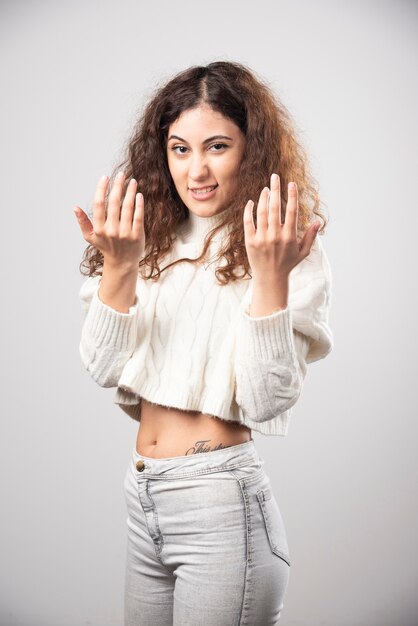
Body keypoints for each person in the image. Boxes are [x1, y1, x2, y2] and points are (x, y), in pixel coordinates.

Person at [74, 60, 333, 626]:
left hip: (221, 505)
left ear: (253, 148)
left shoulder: (283, 246)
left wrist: (270, 279)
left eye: (217, 146)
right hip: (142, 498)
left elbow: (267, 402)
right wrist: (119, 267)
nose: (196, 170)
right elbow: (100, 366)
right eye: (179, 148)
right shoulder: (148, 237)